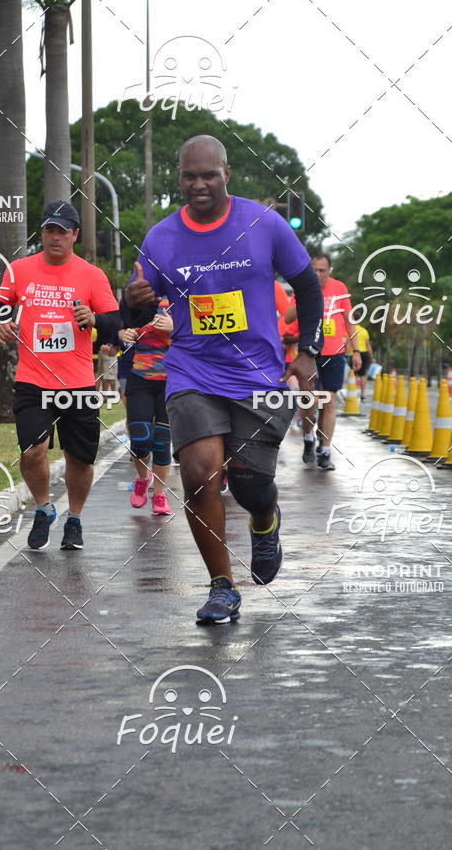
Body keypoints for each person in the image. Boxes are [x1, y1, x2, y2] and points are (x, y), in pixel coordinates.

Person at [125, 135, 323, 623]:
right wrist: (134, 297)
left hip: (257, 373)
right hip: (193, 368)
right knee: (198, 471)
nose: (199, 185)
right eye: (190, 176)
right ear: (180, 177)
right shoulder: (161, 239)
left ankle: (264, 520)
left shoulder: (263, 223)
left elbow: (307, 284)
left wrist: (309, 351)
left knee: (252, 484)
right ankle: (221, 586)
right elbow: (133, 304)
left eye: (208, 175)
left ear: (226, 174)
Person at [0, 201, 120, 552]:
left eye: (63, 231)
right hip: (33, 380)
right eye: (50, 230)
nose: (55, 237)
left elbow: (114, 324)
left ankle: (74, 518)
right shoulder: (19, 269)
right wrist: (2, 321)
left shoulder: (92, 275)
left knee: (79, 459)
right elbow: (1, 304)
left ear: (75, 235)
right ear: (42, 233)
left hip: (77, 382)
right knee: (33, 451)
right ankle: (44, 506)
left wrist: (94, 320)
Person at [287, 252, 361, 470]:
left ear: (329, 271)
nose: (318, 274)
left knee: (329, 401)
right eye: (314, 270)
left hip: (335, 352)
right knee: (309, 400)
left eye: (322, 270)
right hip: (309, 352)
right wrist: (303, 295)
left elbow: (349, 320)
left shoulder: (340, 289)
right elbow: (289, 317)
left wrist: (356, 351)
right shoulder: (303, 287)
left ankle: (325, 450)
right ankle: (309, 437)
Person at [122, 301, 173, 516]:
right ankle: (143, 479)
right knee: (140, 438)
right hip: (140, 378)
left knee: (162, 441)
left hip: (172, 381)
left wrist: (175, 326)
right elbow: (116, 324)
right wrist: (121, 335)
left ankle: (159, 493)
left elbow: (203, 335)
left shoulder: (185, 297)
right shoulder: (138, 298)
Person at [354, 323, 373, 400]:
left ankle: (353, 393)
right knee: (362, 375)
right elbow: (368, 345)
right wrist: (371, 357)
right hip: (364, 353)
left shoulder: (351, 329)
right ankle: (363, 395)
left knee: (354, 374)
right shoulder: (364, 331)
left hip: (354, 353)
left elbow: (348, 342)